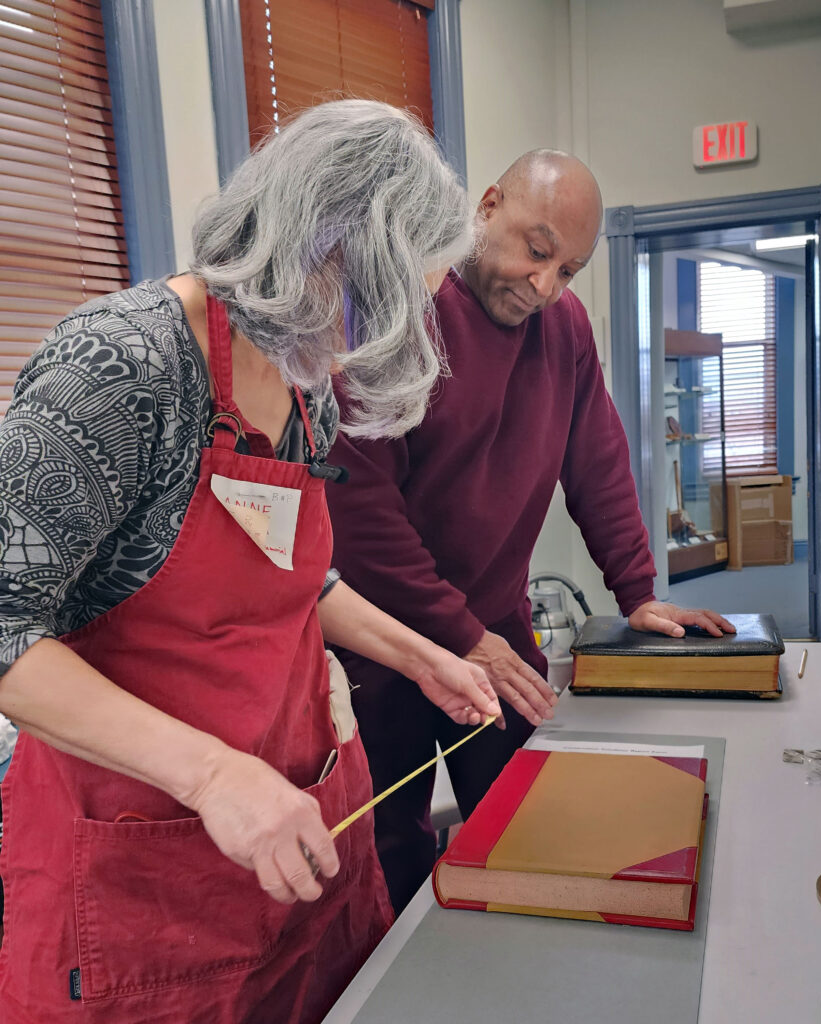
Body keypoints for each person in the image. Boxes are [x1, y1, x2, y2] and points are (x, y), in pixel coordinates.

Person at [0, 100, 501, 1024]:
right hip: (150, 878)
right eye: (393, 297)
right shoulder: (119, 366)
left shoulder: (301, 377)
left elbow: (292, 578)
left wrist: (417, 652)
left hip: (303, 840)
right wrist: (212, 776)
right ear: (331, 253)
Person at [327, 149, 734, 914]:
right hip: (383, 647)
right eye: (535, 250)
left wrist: (637, 592)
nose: (544, 285)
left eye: (569, 270)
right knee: (392, 849)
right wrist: (454, 631)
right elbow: (360, 516)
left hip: (498, 635)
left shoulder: (564, 329)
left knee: (523, 821)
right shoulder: (401, 316)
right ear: (486, 208)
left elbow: (599, 462)